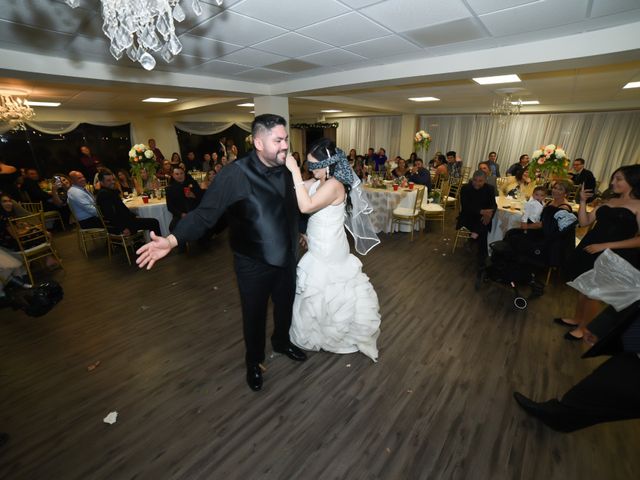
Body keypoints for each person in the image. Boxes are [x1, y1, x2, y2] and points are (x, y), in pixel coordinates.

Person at [136, 114, 307, 392]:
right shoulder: (234, 174)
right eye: (278, 140)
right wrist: (172, 240)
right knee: (254, 315)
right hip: (252, 262)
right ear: (258, 142)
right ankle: (254, 362)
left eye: (285, 138)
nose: (285, 145)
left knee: (285, 305)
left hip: (286, 257)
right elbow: (205, 214)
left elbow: (292, 206)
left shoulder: (288, 168)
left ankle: (282, 342)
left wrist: (301, 229)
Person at [284, 138, 381, 361]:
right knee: (319, 291)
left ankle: (335, 333)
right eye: (307, 166)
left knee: (327, 288)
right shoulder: (320, 181)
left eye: (313, 165)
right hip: (319, 241)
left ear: (328, 164)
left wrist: (295, 172)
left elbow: (306, 206)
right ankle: (320, 331)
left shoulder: (335, 185)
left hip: (329, 249)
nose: (310, 170)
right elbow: (295, 190)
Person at [559, 165, 640, 340]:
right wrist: (582, 202)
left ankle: (585, 329)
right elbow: (584, 222)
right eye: (613, 178)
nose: (613, 182)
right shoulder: (609, 201)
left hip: (612, 254)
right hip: (590, 247)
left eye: (619, 179)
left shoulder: (638, 206)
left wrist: (605, 246)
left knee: (592, 293)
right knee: (583, 288)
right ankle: (577, 319)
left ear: (633, 181)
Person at [96, 171, 161, 237]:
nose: (112, 182)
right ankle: (158, 245)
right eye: (108, 180)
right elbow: (110, 215)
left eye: (113, 179)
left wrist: (133, 216)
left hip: (126, 222)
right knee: (154, 222)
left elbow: (121, 209)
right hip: (122, 226)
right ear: (101, 182)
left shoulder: (109, 192)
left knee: (148, 220)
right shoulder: (104, 194)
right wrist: (123, 228)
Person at [457, 170, 497, 263]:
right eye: (475, 180)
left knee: (483, 224)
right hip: (468, 216)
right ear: (472, 179)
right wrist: (482, 211)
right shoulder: (465, 188)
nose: (477, 183)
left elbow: (494, 205)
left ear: (485, 180)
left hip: (483, 217)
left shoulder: (490, 188)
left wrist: (490, 214)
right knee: (483, 230)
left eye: (480, 181)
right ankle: (482, 259)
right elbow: (466, 207)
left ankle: (472, 239)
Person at [165, 166, 203, 231]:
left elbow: (202, 198)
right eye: (177, 174)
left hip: (195, 212)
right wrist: (181, 214)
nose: (180, 176)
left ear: (184, 174)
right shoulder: (170, 189)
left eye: (181, 173)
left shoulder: (192, 183)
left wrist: (194, 195)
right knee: (172, 227)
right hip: (180, 214)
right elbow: (170, 207)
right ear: (173, 175)